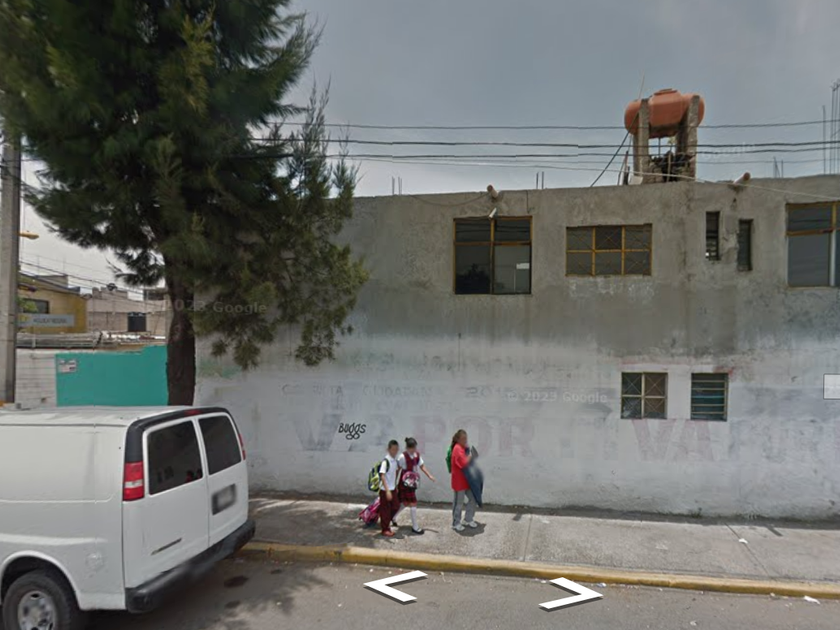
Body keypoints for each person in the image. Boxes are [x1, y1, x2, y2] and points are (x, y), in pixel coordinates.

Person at [393, 437, 436, 534]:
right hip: (404, 483)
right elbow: (397, 470)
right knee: (413, 503)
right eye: (411, 448)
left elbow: (422, 466)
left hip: (412, 483)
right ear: (407, 448)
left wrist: (429, 475)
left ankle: (393, 517)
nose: (413, 450)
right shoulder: (402, 457)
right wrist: (394, 483)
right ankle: (415, 527)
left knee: (405, 503)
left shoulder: (417, 455)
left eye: (414, 448)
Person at [450, 429, 478, 531]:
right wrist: (472, 456)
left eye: (466, 438)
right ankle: (456, 523)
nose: (465, 440)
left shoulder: (463, 447)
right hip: (459, 482)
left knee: (473, 498)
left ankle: (468, 518)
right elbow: (463, 463)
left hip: (466, 481)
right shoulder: (457, 448)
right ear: (458, 439)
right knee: (459, 503)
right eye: (463, 438)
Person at [378, 440, 401, 537]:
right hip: (385, 490)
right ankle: (385, 529)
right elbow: (382, 475)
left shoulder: (395, 461)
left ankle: (385, 519)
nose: (395, 451)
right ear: (388, 449)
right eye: (393, 449)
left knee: (396, 506)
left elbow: (394, 473)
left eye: (396, 449)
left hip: (393, 488)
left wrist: (395, 485)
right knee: (386, 509)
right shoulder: (385, 461)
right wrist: (387, 490)